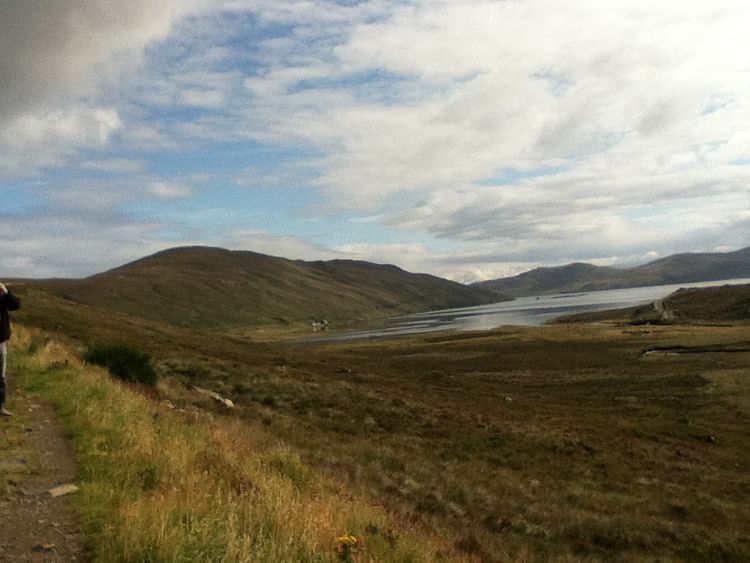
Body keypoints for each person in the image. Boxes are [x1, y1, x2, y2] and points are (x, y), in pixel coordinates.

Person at [0, 283, 21, 417]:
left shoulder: (2, 295)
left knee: (1, 376)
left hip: (0, 341)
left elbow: (16, 305)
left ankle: (0, 407)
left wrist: (6, 292)